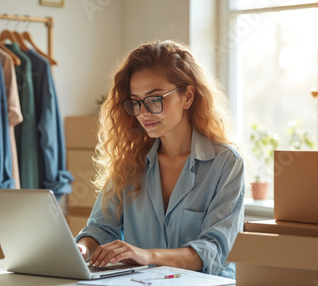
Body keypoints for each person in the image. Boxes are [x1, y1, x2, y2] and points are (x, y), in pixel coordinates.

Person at [75, 40, 245, 279]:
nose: (143, 112)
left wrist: (148, 255)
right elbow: (101, 227)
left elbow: (214, 251)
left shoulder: (226, 163)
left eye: (155, 98)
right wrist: (81, 248)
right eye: (136, 101)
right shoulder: (130, 161)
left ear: (187, 96)